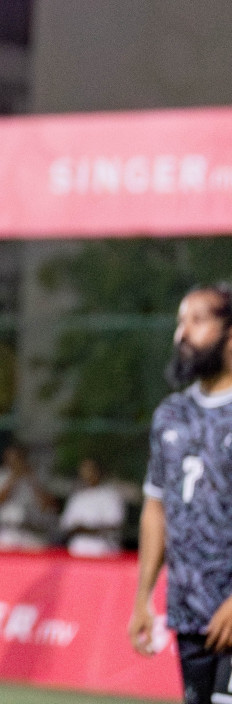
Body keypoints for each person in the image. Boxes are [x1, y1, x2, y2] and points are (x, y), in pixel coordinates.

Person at [130, 283, 232, 704]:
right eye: (179, 322)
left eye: (197, 320)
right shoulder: (171, 414)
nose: (181, 334)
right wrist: (143, 598)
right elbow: (156, 508)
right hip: (189, 611)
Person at [0, 443, 56, 552]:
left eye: (18, 456)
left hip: (32, 532)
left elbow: (49, 505)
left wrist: (31, 479)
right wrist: (13, 478)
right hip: (7, 531)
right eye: (12, 457)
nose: (15, 460)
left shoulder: (36, 475)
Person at [59, 457, 125, 558]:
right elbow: (66, 527)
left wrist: (84, 529)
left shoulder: (111, 495)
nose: (86, 474)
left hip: (104, 552)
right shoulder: (77, 497)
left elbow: (114, 525)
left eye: (90, 470)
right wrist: (82, 529)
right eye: (84, 470)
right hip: (77, 552)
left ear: (98, 471)